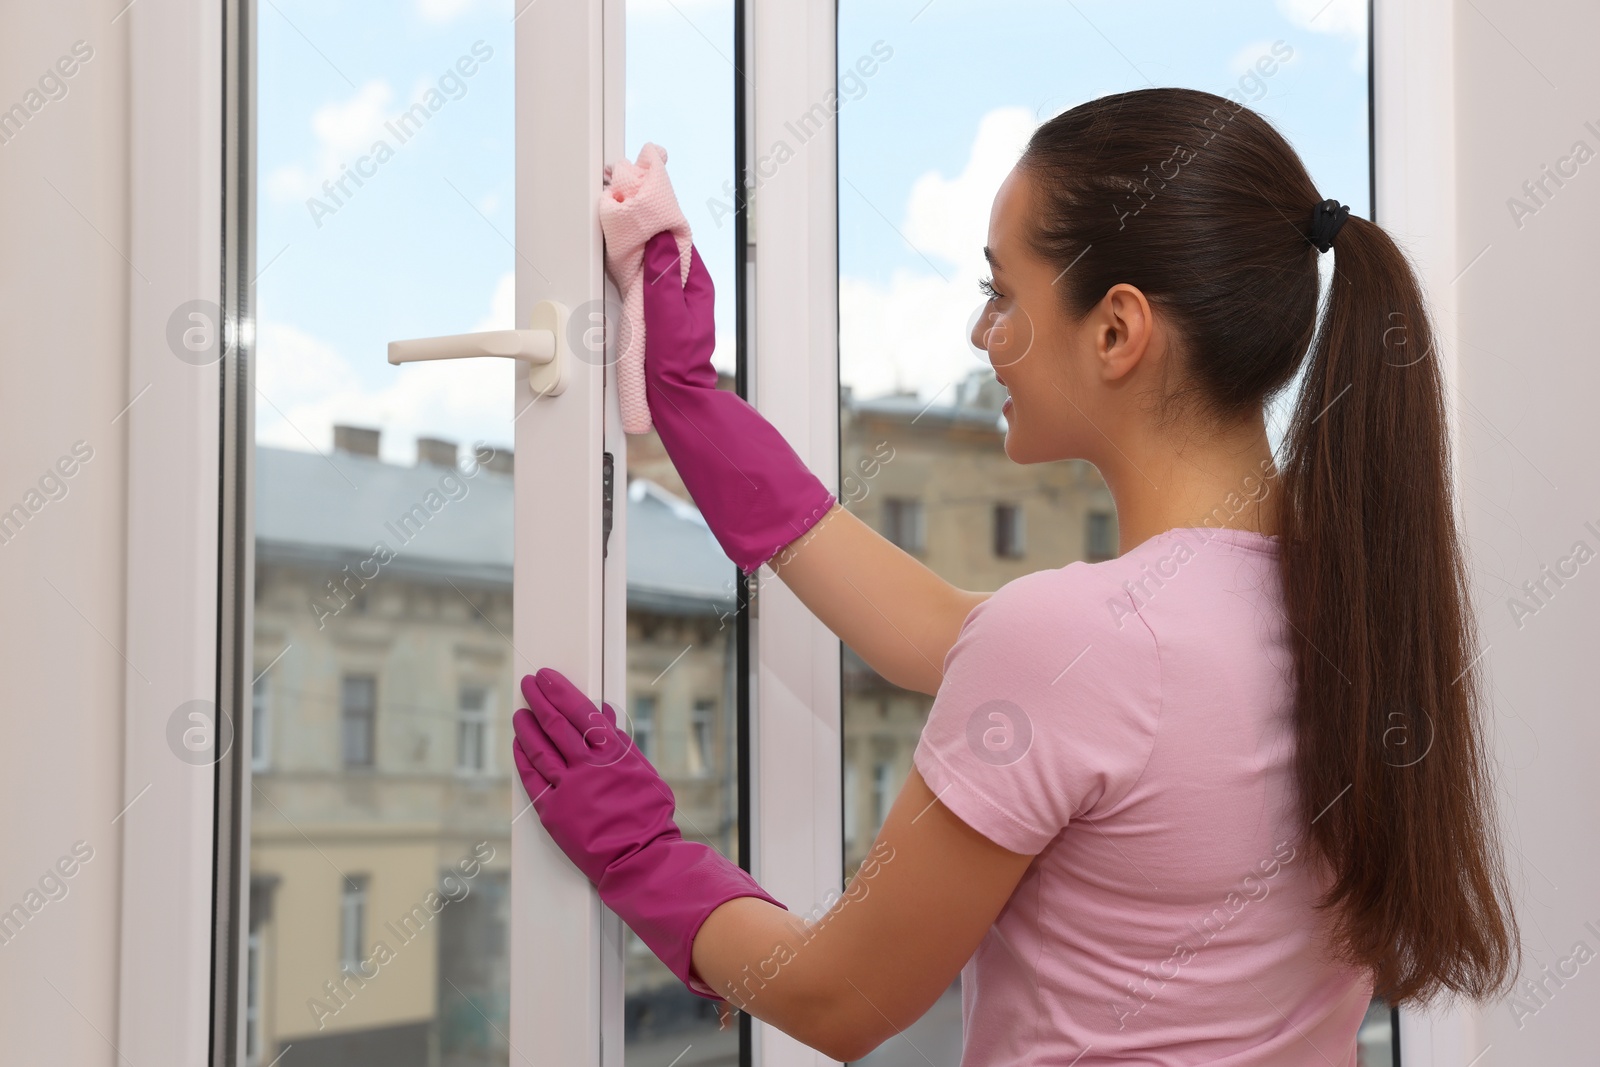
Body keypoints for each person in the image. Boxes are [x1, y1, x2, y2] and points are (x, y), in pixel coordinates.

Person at [510, 86, 1518, 1064]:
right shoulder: (1345, 605)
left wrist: (637, 849)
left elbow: (841, 997)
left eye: (1000, 291)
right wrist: (688, 400)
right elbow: (929, 629)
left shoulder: (1084, 640)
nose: (980, 332)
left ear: (1116, 331)